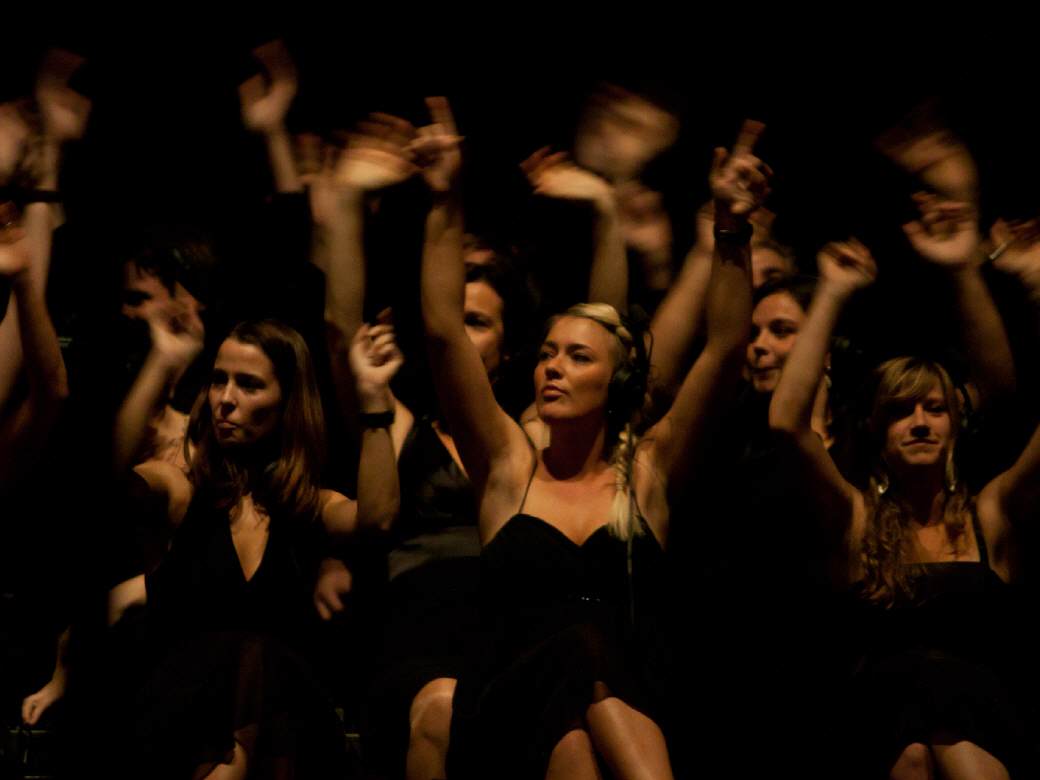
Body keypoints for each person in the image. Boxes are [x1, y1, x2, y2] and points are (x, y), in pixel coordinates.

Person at [420, 99, 767, 780]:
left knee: (580, 727)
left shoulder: (649, 469)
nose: (553, 367)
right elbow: (440, 330)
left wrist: (731, 228)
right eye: (548, 354)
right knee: (578, 652)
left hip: (619, 699)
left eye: (578, 357)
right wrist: (443, 199)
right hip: (509, 700)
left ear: (618, 381)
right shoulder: (508, 465)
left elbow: (726, 348)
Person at [769, 232, 1040, 778]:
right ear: (876, 430)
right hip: (883, 732)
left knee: (943, 693)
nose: (919, 422)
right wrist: (831, 293)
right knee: (913, 718)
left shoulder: (989, 514)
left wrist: (1036, 285)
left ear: (956, 425)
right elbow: (786, 424)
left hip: (983, 723)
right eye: (900, 411)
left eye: (934, 409)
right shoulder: (857, 518)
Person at [103, 312, 401, 779]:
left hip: (284, 737)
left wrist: (374, 400)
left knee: (264, 662)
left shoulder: (310, 507)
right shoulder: (183, 491)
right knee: (242, 659)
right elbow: (110, 479)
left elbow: (377, 520)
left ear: (288, 401)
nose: (225, 399)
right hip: (177, 726)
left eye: (248, 385)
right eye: (218, 380)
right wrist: (162, 362)